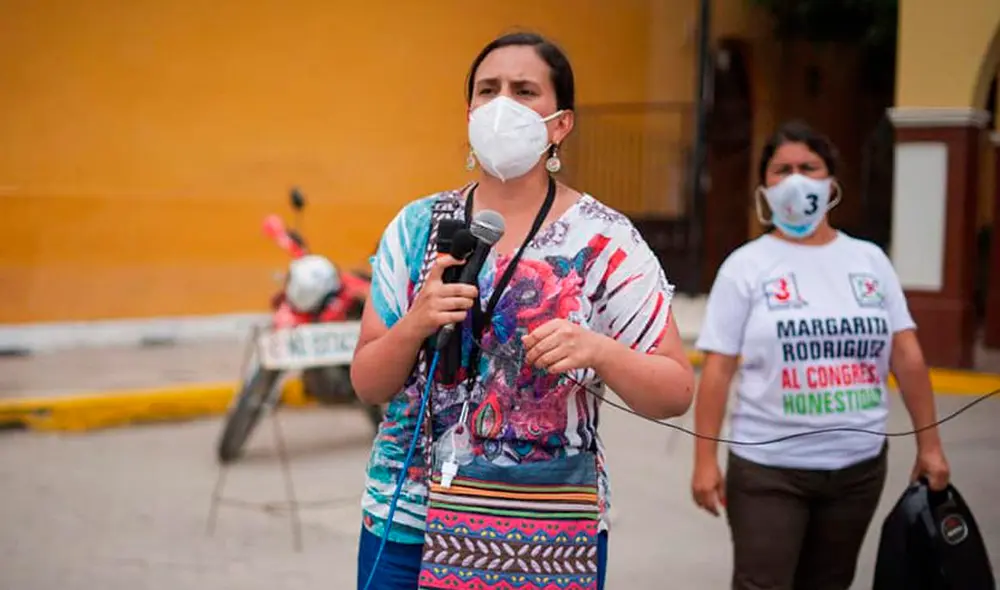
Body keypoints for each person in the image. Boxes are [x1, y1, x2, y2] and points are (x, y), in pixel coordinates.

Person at [351, 32, 695, 589]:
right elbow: (368, 384)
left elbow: (675, 391)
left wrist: (599, 352)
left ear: (561, 124)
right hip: (406, 522)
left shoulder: (605, 241)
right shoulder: (415, 228)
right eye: (488, 90)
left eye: (524, 91)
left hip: (542, 526)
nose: (502, 105)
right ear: (469, 114)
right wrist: (415, 324)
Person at [690, 120, 952, 590]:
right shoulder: (745, 267)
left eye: (809, 168)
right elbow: (718, 369)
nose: (795, 181)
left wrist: (929, 446)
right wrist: (704, 460)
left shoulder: (869, 261)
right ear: (764, 187)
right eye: (781, 170)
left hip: (858, 470)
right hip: (769, 470)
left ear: (831, 182)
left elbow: (906, 354)